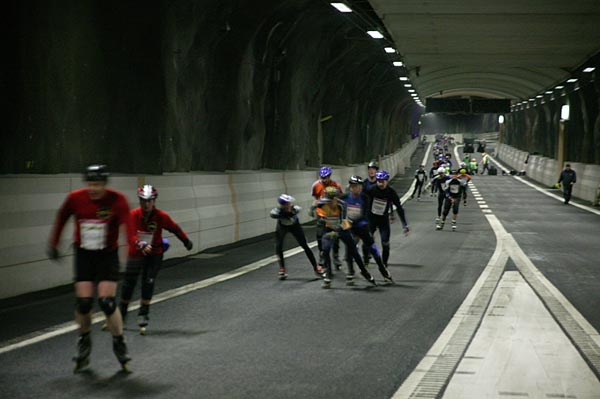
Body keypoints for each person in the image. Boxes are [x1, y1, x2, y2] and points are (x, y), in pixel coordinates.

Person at [47, 165, 134, 371]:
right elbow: (62, 217)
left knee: (106, 302)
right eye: (90, 184)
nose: (93, 188)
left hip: (106, 256)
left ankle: (119, 342)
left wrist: (131, 248)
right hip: (84, 255)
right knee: (84, 303)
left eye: (98, 184)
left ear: (105, 184)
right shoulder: (76, 198)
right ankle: (84, 341)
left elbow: (127, 225)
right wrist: (54, 243)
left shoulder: (117, 200)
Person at [118, 185, 194, 335]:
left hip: (154, 254)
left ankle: (143, 312)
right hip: (136, 253)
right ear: (139, 201)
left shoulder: (161, 216)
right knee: (129, 284)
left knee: (149, 281)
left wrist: (186, 241)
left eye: (149, 201)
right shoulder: (133, 215)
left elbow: (174, 228)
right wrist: (140, 244)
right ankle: (122, 315)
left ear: (154, 201)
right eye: (143, 201)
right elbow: (130, 235)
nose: (146, 204)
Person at [315, 187, 376, 288]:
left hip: (342, 228)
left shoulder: (342, 205)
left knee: (353, 250)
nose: (329, 204)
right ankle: (328, 275)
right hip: (329, 228)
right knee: (325, 250)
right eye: (327, 202)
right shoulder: (322, 204)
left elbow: (343, 221)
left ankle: (363, 272)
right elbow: (320, 220)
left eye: (331, 201)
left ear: (336, 199)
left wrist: (338, 231)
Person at [341, 176, 393, 284]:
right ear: (350, 187)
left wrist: (357, 223)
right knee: (349, 248)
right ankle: (351, 272)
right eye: (353, 187)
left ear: (361, 187)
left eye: (358, 187)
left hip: (361, 225)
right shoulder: (345, 197)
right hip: (349, 226)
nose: (356, 189)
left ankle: (382, 269)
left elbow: (366, 214)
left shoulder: (364, 198)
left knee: (372, 247)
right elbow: (340, 209)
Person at [270, 194, 323, 280]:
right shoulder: (278, 211)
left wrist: (289, 213)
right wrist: (283, 214)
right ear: (282, 205)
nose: (289, 206)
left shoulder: (295, 209)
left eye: (289, 204)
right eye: (287, 204)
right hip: (282, 227)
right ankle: (282, 268)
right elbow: (272, 214)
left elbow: (298, 209)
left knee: (305, 245)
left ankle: (316, 267)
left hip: (295, 226)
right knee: (279, 246)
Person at [364, 170, 410, 267]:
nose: (380, 183)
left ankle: (384, 265)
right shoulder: (371, 190)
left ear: (387, 181)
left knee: (385, 243)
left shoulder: (391, 192)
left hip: (383, 220)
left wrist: (404, 224)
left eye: (383, 181)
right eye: (378, 181)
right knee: (367, 241)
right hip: (371, 218)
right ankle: (366, 261)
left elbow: (399, 208)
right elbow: (362, 202)